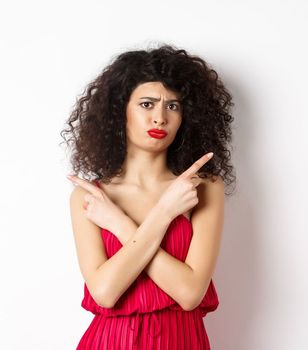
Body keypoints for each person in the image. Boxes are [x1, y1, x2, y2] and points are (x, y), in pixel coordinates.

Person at [60, 43, 236, 349]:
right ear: (120, 111)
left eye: (173, 106)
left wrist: (121, 222)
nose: (160, 118)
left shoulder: (202, 188)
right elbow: (105, 292)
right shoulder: (90, 197)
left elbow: (190, 293)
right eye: (146, 104)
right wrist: (164, 215)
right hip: (109, 342)